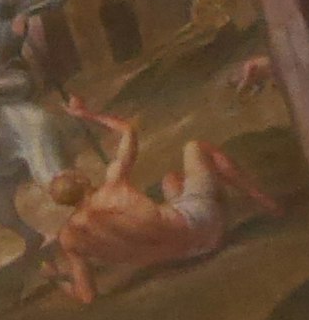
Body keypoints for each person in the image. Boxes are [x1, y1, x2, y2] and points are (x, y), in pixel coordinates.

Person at [40, 95, 281, 303]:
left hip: (179, 257)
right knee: (195, 148)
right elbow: (127, 130)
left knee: (170, 181)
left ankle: (216, 201)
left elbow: (87, 297)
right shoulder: (113, 183)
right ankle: (264, 200)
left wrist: (57, 278)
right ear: (82, 181)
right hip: (204, 227)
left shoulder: (69, 238)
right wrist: (85, 114)